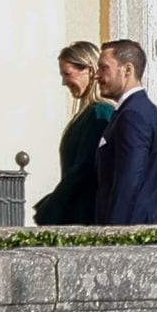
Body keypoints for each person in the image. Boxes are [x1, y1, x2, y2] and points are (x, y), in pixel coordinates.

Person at [34, 41, 115, 225]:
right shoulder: (88, 114)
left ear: (89, 70)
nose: (64, 82)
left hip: (86, 213)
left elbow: (84, 168)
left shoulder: (100, 113)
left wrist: (52, 205)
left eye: (68, 74)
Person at [94, 39, 157, 225]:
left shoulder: (133, 115)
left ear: (127, 70)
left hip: (134, 233)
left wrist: (114, 235)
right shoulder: (132, 110)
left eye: (105, 68)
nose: (97, 76)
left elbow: (129, 181)